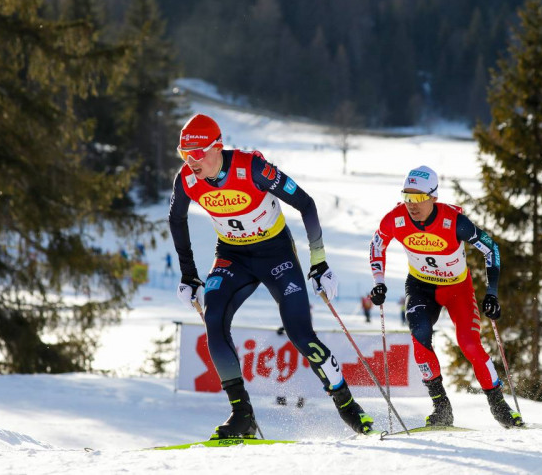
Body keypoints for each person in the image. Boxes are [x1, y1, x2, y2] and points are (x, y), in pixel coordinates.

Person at [168, 113, 374, 438]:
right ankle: (242, 415)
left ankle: (347, 404)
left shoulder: (251, 167)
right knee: (214, 320)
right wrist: (188, 274)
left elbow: (305, 204)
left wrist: (319, 261)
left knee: (300, 334)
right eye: (184, 154)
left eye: (197, 153)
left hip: (275, 255)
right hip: (232, 255)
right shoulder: (187, 180)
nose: (191, 161)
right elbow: (176, 219)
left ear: (217, 147)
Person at [367, 165, 523, 428]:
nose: (411, 205)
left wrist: (492, 294)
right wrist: (379, 282)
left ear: (433, 197)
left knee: (469, 344)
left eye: (418, 198)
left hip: (456, 289)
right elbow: (377, 244)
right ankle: (441, 407)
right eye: (407, 197)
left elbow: (491, 249)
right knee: (419, 336)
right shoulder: (395, 219)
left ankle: (499, 405)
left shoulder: (455, 222)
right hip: (420, 287)